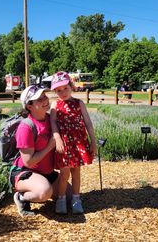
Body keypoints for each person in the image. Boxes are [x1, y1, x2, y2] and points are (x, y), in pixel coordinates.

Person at [11, 85, 65, 216]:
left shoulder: (51, 120)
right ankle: (21, 197)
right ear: (29, 106)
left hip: (47, 172)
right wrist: (50, 146)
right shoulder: (26, 127)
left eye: (44, 97)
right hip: (26, 172)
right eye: (39, 99)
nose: (45, 100)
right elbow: (28, 162)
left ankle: (45, 187)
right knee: (44, 192)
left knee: (68, 197)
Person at [50, 71, 97, 214]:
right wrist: (57, 138)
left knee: (76, 171)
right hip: (64, 143)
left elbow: (88, 123)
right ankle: (61, 199)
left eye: (65, 88)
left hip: (78, 142)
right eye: (59, 90)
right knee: (64, 173)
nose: (63, 92)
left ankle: (76, 199)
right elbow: (53, 122)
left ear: (71, 86)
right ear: (55, 91)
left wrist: (93, 141)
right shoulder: (55, 104)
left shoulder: (79, 103)